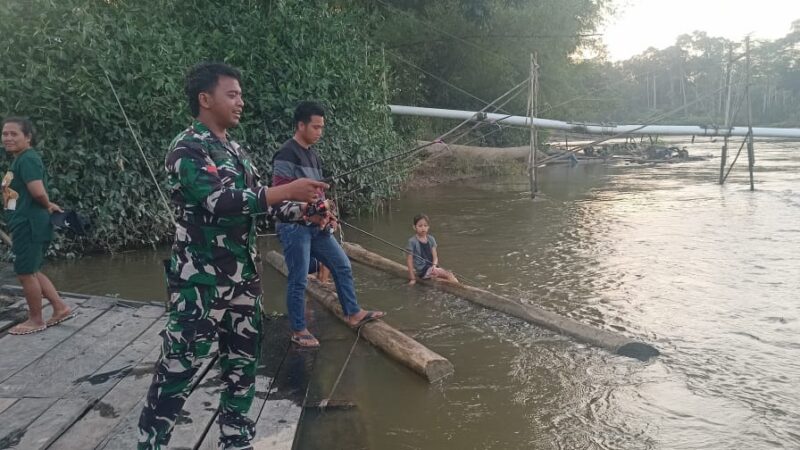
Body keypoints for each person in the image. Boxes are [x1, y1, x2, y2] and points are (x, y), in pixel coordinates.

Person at [137, 62, 326, 450]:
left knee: (242, 369)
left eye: (240, 94)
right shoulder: (186, 148)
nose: (241, 101)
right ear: (205, 100)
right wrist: (287, 191)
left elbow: (261, 204)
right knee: (178, 369)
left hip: (242, 281)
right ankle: (151, 443)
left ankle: (236, 441)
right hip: (199, 285)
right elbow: (219, 201)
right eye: (232, 94)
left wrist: (305, 210)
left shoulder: (235, 150)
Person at [271, 101, 385, 348]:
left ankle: (353, 313)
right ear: (300, 125)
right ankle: (299, 329)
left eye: (322, 127)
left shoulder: (313, 155)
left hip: (316, 226)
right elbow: (279, 197)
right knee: (299, 279)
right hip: (293, 227)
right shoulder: (286, 154)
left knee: (342, 265)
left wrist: (327, 212)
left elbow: (317, 195)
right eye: (315, 127)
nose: (319, 132)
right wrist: (306, 213)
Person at [2, 117, 72, 335]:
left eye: (14, 134)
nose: (8, 138)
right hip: (23, 222)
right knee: (32, 270)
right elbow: (14, 194)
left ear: (28, 137)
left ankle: (36, 319)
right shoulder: (19, 160)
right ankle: (60, 308)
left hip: (29, 224)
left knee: (25, 273)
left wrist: (47, 204)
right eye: (5, 134)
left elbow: (38, 192)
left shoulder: (28, 159)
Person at [406, 214, 458, 285]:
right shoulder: (412, 241)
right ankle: (459, 288)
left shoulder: (431, 239)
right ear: (414, 227)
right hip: (423, 270)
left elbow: (435, 257)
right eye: (420, 226)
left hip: (432, 267)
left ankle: (457, 286)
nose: (423, 228)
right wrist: (412, 278)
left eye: (425, 225)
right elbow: (409, 261)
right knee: (449, 274)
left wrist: (434, 266)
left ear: (428, 227)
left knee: (449, 275)